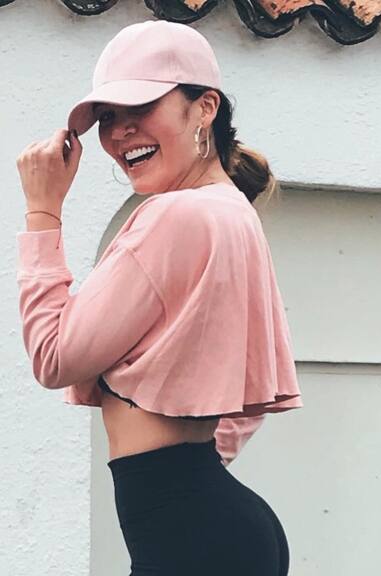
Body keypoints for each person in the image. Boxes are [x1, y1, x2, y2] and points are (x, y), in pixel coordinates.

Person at [14, 20, 302, 576]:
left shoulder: (175, 216)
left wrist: (42, 210)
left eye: (140, 107)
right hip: (212, 525)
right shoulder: (231, 211)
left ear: (204, 108)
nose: (121, 131)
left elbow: (53, 358)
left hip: (189, 536)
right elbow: (239, 393)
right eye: (107, 117)